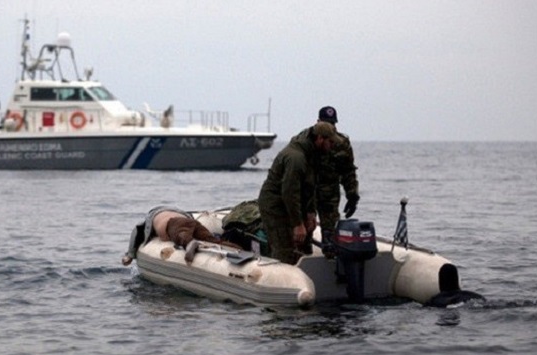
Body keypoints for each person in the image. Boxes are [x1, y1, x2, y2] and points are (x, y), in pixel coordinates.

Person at [257, 121, 341, 265]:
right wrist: (297, 224)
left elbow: (310, 186)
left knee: (304, 243)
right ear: (320, 139)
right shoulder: (296, 158)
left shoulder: (313, 154)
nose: (332, 146)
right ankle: (282, 271)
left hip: (294, 202)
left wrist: (310, 212)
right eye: (331, 142)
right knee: (285, 248)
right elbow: (289, 193)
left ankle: (306, 270)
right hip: (275, 205)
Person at [123, 206, 241, 266]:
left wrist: (130, 255)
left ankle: (189, 243)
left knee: (180, 234)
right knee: (212, 240)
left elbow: (137, 230)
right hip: (192, 222)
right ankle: (238, 248)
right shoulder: (179, 213)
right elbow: (189, 223)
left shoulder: (154, 217)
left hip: (174, 223)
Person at [316, 106, 360, 256]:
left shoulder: (342, 143)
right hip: (307, 192)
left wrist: (352, 195)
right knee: (302, 230)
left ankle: (332, 258)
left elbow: (348, 171)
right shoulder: (310, 141)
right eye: (326, 123)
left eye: (332, 124)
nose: (330, 127)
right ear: (318, 122)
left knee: (330, 233)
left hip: (329, 194)